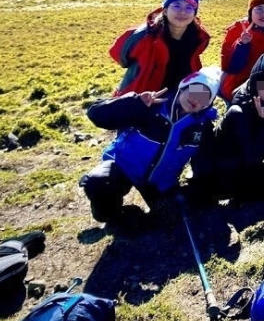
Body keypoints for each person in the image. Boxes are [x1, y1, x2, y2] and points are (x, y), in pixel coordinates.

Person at [79, 68, 220, 224]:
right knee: (98, 186)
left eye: (205, 99)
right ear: (183, 86)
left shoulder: (202, 127)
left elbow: (204, 162)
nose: (197, 100)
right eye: (196, 91)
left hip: (161, 182)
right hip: (124, 166)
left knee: (170, 218)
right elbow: (95, 114)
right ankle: (115, 217)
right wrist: (133, 103)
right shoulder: (150, 104)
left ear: (206, 106)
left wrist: (203, 189)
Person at [190, 55, 264, 201]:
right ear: (255, 86)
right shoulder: (239, 112)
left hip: (242, 162)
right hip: (222, 168)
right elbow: (252, 158)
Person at [109, 0, 210, 97]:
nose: (182, 12)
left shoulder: (198, 38)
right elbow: (118, 54)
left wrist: (201, 98)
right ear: (165, 11)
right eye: (177, 6)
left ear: (194, 15)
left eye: (189, 8)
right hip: (139, 99)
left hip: (178, 99)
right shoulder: (143, 35)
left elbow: (193, 69)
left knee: (206, 106)